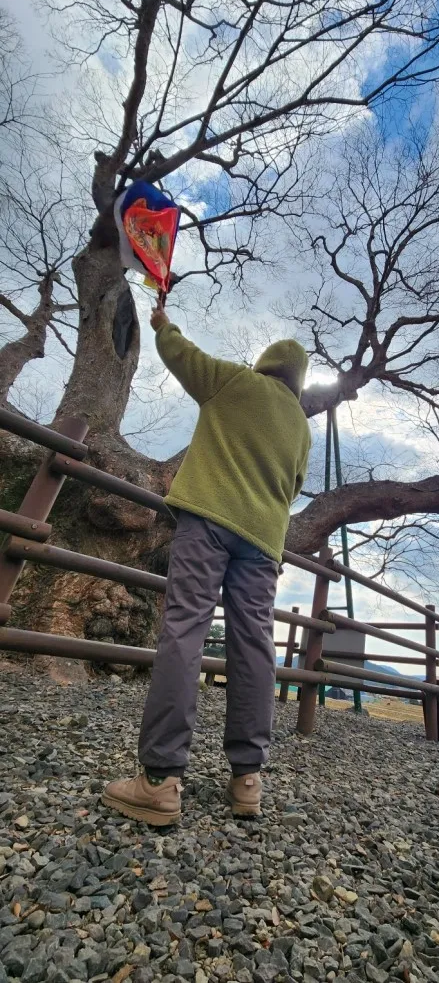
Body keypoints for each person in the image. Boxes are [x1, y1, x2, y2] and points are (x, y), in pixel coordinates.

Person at [101, 300, 311, 826]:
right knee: (255, 645)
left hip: (209, 519)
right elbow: (294, 489)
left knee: (185, 629)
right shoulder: (301, 427)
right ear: (300, 381)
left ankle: (159, 780)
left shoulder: (236, 382)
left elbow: (183, 357)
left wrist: (162, 324)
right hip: (263, 541)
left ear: (266, 363)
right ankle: (247, 779)